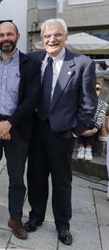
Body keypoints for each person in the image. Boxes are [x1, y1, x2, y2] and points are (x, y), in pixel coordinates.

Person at [25, 18, 97, 246]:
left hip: (62, 134)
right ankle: (35, 216)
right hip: (36, 131)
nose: (51, 39)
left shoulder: (82, 63)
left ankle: (63, 225)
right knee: (35, 178)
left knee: (62, 182)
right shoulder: (33, 59)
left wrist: (76, 130)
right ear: (42, 39)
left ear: (65, 37)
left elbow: (89, 103)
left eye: (57, 35)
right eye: (47, 36)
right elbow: (10, 61)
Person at [0, 22, 40, 239]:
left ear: (17, 36)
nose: (5, 38)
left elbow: (32, 100)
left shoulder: (29, 64)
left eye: (9, 34)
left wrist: (9, 123)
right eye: (1, 34)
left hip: (17, 128)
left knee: (16, 178)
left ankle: (15, 218)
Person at [76, 79, 108, 161]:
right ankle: (82, 147)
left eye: (98, 89)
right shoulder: (82, 102)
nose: (96, 91)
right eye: (94, 89)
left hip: (94, 127)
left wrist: (94, 129)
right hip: (82, 126)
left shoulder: (103, 104)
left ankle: (88, 148)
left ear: (100, 91)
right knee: (84, 119)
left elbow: (100, 117)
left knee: (91, 120)